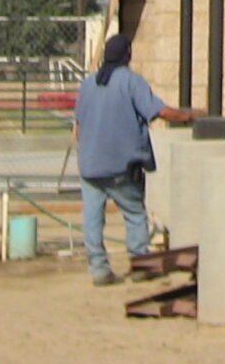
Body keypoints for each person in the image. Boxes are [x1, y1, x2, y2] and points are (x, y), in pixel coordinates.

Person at [72, 31, 198, 286]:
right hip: (119, 165)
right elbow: (160, 111)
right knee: (134, 213)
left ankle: (98, 269)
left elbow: (77, 127)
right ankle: (141, 263)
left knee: (93, 218)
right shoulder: (131, 82)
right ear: (127, 54)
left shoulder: (88, 83)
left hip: (89, 164)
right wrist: (190, 116)